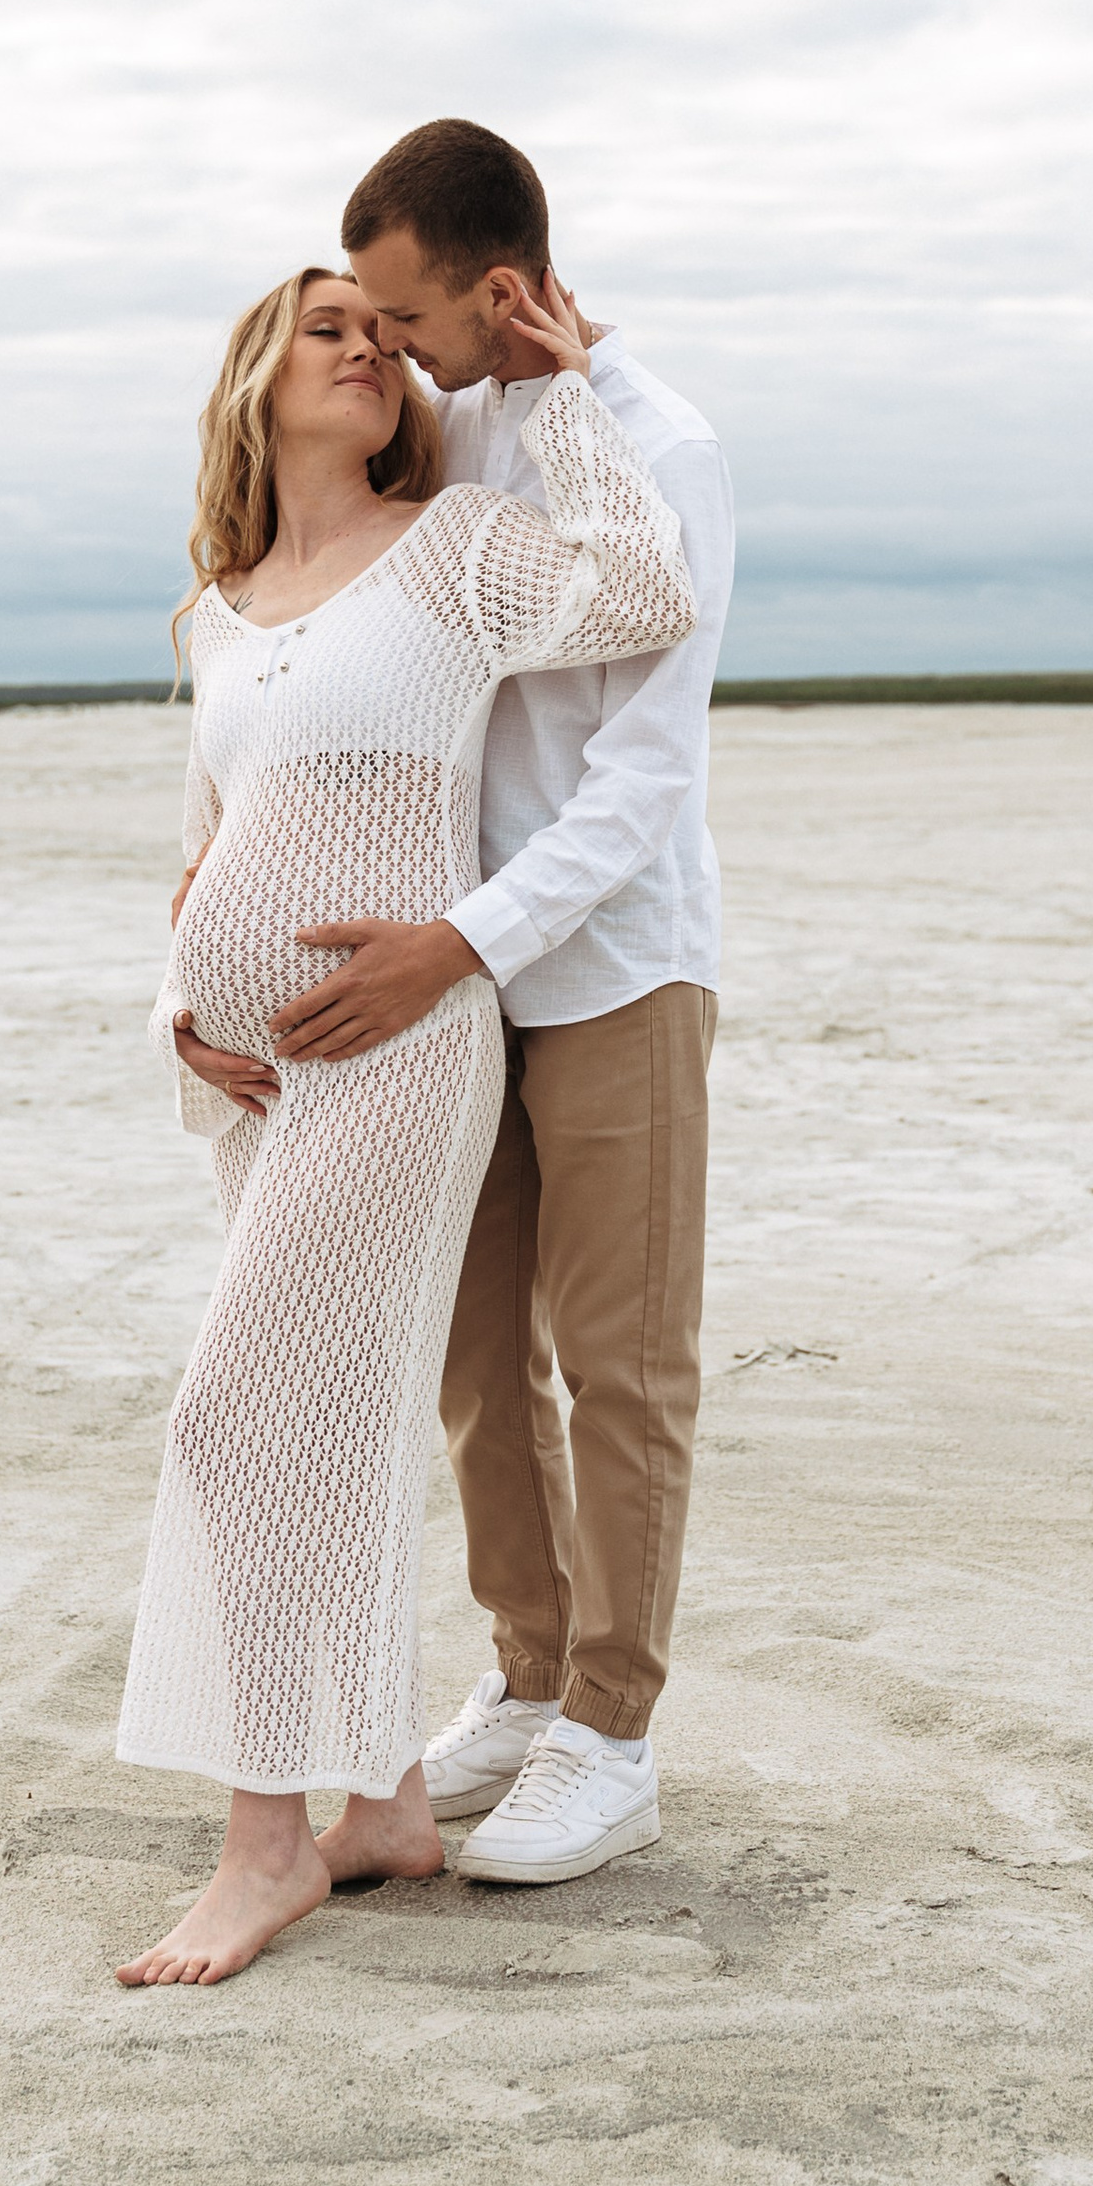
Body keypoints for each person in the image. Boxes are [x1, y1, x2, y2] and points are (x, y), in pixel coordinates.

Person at [113, 261, 696, 1987]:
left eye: (385, 331)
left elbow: (646, 588)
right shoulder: (221, 609)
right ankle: (376, 1802)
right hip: (261, 1079)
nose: (369, 347)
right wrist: (178, 1010)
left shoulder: (452, 550)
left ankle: (264, 1845)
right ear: (256, 376)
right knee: (341, 1427)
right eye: (330, 327)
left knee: (242, 1420)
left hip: (401, 1055)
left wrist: (565, 390)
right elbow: (209, 847)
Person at [258, 120, 732, 1885]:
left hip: (608, 964)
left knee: (621, 1364)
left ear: (504, 287)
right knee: (476, 1360)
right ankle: (530, 1682)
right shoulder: (452, 432)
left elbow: (640, 779)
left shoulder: (668, 449)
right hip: (443, 982)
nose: (385, 350)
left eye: (404, 316)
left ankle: (613, 1734)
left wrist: (461, 942)